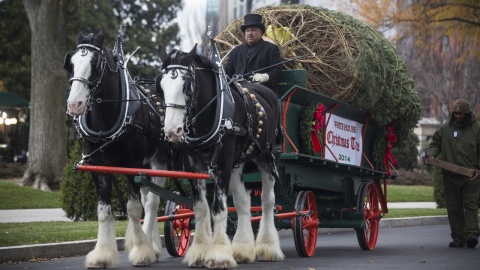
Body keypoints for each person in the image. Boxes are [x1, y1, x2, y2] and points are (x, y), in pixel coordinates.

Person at [426, 98, 480, 248]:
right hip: (450, 176)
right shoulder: (446, 128)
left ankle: (471, 234)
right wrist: (430, 155)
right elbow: (436, 143)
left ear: (467, 114)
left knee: (470, 205)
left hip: (471, 176)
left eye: (461, 114)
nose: (458, 116)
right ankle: (458, 237)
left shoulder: (476, 129)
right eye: (455, 114)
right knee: (453, 207)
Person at [224, 13, 283, 97]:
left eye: (253, 30)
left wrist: (266, 76)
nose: (249, 33)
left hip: (262, 93)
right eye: (247, 30)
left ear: (261, 32)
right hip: (239, 93)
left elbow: (277, 72)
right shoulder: (236, 51)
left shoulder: (271, 48)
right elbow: (228, 72)